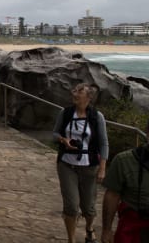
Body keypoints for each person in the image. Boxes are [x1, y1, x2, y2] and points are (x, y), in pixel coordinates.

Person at [53, 82, 109, 243]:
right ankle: (71, 239)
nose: (75, 93)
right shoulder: (65, 113)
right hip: (66, 164)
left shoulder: (97, 117)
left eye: (79, 91)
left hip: (89, 166)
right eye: (74, 90)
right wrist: (63, 139)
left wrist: (103, 168)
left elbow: (103, 143)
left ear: (89, 97)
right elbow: (54, 133)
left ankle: (89, 228)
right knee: (71, 205)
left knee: (89, 207)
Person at [101, 118, 149, 243]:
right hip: (132, 230)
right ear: (147, 133)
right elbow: (112, 195)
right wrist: (107, 230)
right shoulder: (125, 161)